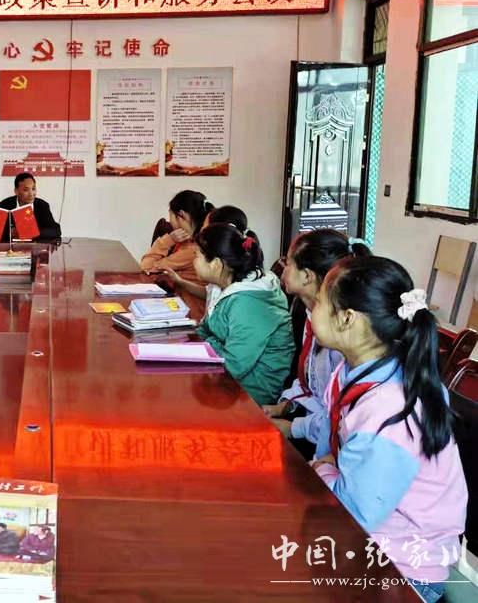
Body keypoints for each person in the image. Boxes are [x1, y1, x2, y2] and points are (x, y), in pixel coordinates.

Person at [309, 256, 466, 600]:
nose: (311, 309)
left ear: (347, 318)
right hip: (367, 541)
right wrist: (326, 468)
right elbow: (328, 450)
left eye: (318, 302)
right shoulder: (353, 372)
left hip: (403, 569)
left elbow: (353, 516)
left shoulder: (391, 409)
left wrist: (322, 471)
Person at [263, 231, 371, 456]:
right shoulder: (310, 315)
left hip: (328, 439)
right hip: (315, 423)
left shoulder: (340, 339)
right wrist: (287, 404)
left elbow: (337, 416)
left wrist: (293, 428)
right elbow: (311, 380)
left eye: (288, 263)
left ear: (307, 276)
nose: (283, 270)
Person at [194, 224, 294, 406]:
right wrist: (212, 342)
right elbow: (203, 330)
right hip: (228, 379)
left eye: (197, 256)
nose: (193, 262)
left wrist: (210, 343)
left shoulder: (248, 303)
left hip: (250, 390)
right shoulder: (224, 287)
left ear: (216, 264)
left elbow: (233, 365)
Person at [140, 190, 213, 317]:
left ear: (181, 215)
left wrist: (168, 240)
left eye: (171, 216)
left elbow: (146, 266)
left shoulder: (193, 250)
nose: (170, 222)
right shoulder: (195, 241)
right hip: (184, 308)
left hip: (191, 314)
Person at [158, 204, 248, 304]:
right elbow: (209, 293)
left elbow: (150, 266)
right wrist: (180, 281)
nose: (200, 230)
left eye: (205, 227)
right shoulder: (224, 277)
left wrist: (167, 240)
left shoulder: (238, 300)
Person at [0, 172, 61, 243]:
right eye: (26, 190)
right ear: (16, 191)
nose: (31, 194)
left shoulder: (42, 205)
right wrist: (10, 233)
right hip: (10, 249)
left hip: (35, 248)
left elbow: (56, 231)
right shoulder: (3, 206)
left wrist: (33, 232)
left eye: (33, 189)